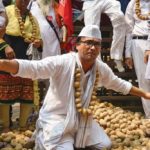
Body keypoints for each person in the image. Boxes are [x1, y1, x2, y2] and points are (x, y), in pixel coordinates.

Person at [1, 25, 150, 149]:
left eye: (97, 44)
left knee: (105, 144)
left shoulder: (100, 67)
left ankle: (68, 139)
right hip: (56, 118)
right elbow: (33, 68)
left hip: (81, 118)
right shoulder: (63, 62)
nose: (92, 47)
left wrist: (145, 94)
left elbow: (117, 83)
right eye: (88, 42)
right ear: (77, 45)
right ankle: (42, 136)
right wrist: (3, 64)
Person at [0, 0, 42, 131]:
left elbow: (40, 40)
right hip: (7, 59)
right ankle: (6, 126)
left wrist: (39, 44)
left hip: (26, 62)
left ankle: (23, 126)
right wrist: (5, 46)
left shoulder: (32, 18)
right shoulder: (6, 12)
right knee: (4, 94)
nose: (24, 1)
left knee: (27, 94)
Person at [83, 0, 126, 72]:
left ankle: (117, 56)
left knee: (120, 17)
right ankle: (96, 60)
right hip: (91, 2)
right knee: (91, 28)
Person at [125, 0, 150, 118]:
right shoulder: (133, 3)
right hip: (137, 42)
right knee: (143, 80)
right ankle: (149, 116)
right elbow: (128, 28)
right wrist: (127, 53)